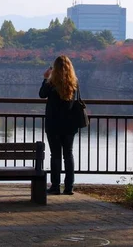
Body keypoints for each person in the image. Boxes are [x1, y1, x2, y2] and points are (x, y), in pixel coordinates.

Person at [39, 55, 79, 195]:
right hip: (70, 125)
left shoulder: (51, 83)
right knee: (68, 154)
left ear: (54, 68)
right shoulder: (74, 83)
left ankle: (55, 186)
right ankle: (69, 187)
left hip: (53, 124)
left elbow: (42, 94)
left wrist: (45, 78)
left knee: (55, 155)